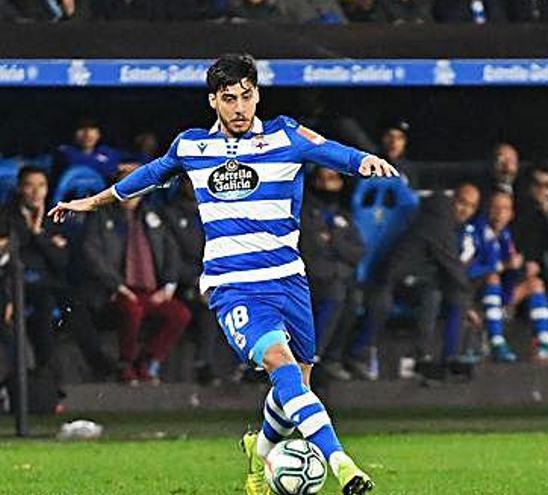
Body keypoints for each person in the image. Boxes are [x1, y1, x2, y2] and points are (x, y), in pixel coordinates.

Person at [49, 53, 396, 495]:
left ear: (257, 95)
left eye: (246, 97)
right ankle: (342, 464)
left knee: (297, 386)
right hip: (233, 285)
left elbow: (331, 150)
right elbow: (146, 177)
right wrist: (89, 202)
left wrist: (364, 160)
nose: (239, 107)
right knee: (281, 366)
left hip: (288, 279)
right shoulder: (193, 146)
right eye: (228, 98)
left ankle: (262, 449)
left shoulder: (284, 135)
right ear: (213, 100)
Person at [81, 171, 191, 386]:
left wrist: (168, 287)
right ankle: (126, 363)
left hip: (150, 290)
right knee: (132, 310)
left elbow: (172, 252)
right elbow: (92, 255)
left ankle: (148, 360)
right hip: (115, 290)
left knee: (180, 314)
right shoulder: (101, 216)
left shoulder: (154, 216)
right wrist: (118, 286)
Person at [356, 183, 478, 374]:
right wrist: (471, 304)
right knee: (445, 294)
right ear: (453, 199)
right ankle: (361, 353)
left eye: (471, 206)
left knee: (442, 294)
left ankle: (446, 358)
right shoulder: (438, 220)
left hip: (415, 281)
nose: (465, 210)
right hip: (390, 280)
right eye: (462, 202)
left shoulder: (453, 225)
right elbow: (451, 265)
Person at [463, 190, 548, 363]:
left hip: (499, 298)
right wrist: (502, 266)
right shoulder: (472, 232)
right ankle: (496, 342)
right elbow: (465, 271)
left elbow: (510, 270)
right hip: (472, 298)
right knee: (492, 277)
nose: (500, 213)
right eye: (496, 208)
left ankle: (545, 341)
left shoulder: (506, 236)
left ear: (511, 214)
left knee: (535, 284)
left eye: (505, 209)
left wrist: (522, 269)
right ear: (487, 210)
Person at [3, 167, 69, 395]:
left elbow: (61, 261)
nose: (35, 191)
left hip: (44, 288)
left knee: (47, 321)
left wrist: (38, 233)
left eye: (41, 185)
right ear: (21, 188)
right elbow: (10, 255)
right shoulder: (6, 217)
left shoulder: (54, 217)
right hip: (11, 286)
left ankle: (50, 390)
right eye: (30, 185)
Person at [299, 168, 365, 381]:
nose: (328, 185)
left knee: (353, 298)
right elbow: (310, 249)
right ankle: (312, 358)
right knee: (336, 292)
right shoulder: (304, 212)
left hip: (336, 278)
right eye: (323, 179)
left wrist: (334, 241)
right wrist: (338, 254)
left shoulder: (342, 215)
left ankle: (332, 358)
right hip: (310, 279)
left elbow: (358, 252)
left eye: (333, 179)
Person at [162, 176, 225, 386]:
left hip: (216, 278)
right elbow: (172, 257)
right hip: (183, 283)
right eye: (191, 181)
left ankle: (250, 366)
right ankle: (203, 364)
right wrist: (196, 280)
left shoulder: (218, 212)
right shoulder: (170, 214)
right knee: (208, 308)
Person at [54, 118, 120, 181]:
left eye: (92, 128)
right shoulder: (64, 151)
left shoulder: (108, 152)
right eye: (81, 128)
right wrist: (115, 168)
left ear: (99, 134)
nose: (87, 134)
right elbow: (81, 166)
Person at [380, 119, 418, 188]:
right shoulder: (371, 162)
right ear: (383, 138)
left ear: (405, 142)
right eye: (390, 136)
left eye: (399, 138)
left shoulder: (409, 169)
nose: (393, 142)